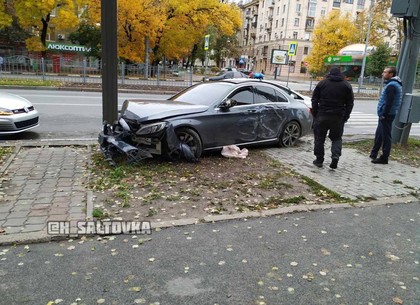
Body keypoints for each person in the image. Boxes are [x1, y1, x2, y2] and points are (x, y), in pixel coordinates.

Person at [311, 67, 354, 169]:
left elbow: (314, 100)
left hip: (322, 115)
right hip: (338, 117)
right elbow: (350, 103)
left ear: (329, 73)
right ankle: (335, 156)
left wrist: (316, 113)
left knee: (319, 138)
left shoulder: (322, 84)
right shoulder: (346, 85)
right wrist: (346, 116)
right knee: (336, 138)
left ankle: (319, 160)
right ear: (341, 74)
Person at [370, 67, 403, 164]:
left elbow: (389, 102)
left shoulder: (392, 86)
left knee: (385, 136)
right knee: (380, 133)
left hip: (387, 114)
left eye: (385, 72)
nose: (383, 74)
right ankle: (374, 153)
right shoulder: (394, 84)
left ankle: (384, 157)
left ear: (391, 74)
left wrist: (384, 114)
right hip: (387, 113)